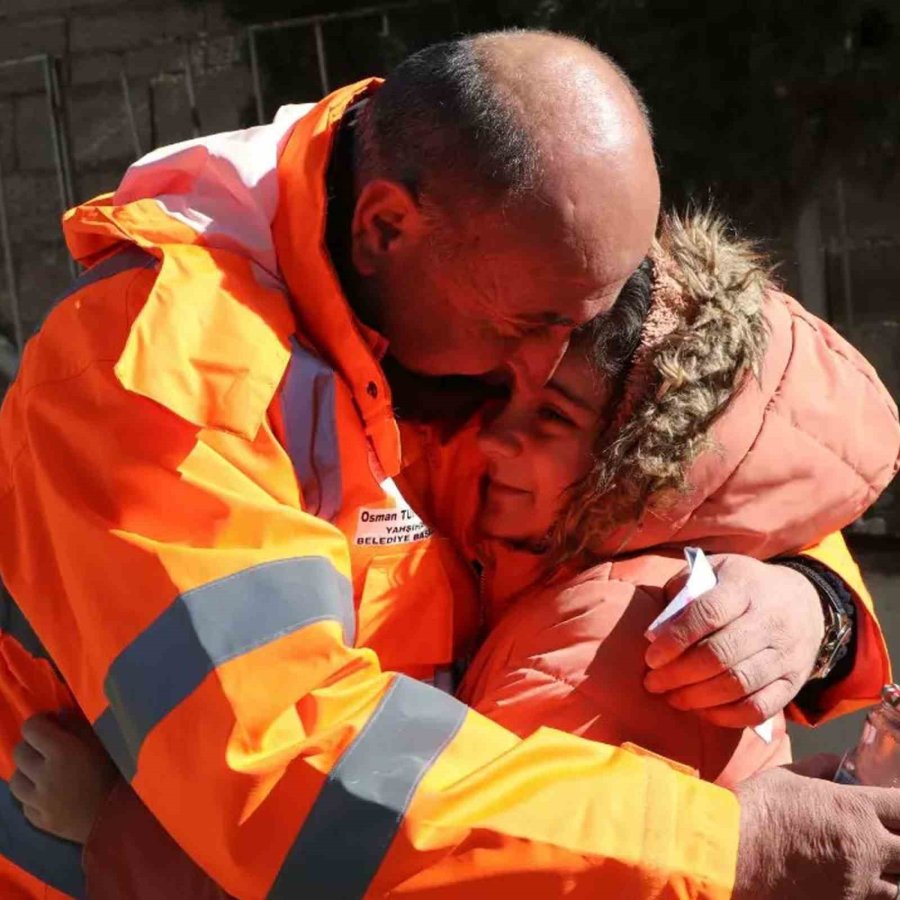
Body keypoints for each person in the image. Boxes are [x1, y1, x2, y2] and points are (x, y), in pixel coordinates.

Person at [0, 30, 898, 900]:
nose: (555, 364)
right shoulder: (149, 368)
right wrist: (731, 848)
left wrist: (812, 609)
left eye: (579, 328)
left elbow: (733, 456)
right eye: (533, 327)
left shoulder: (496, 248)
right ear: (383, 226)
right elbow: (289, 783)